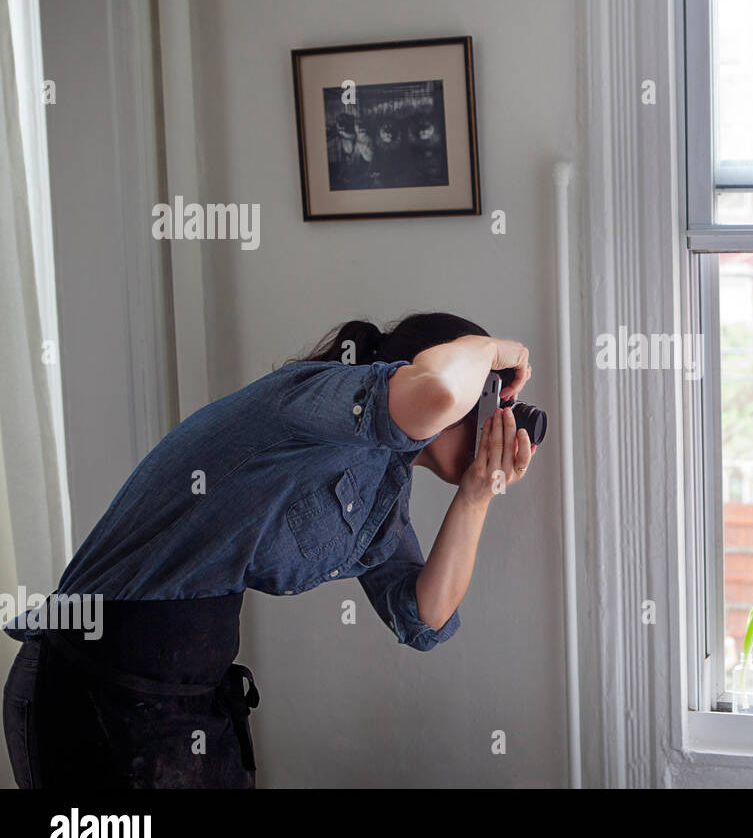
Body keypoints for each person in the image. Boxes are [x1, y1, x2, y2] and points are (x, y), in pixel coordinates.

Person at [1, 313, 534, 788]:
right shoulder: (317, 397)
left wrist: (477, 492)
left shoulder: (383, 491)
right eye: (487, 402)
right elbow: (439, 388)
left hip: (181, 701)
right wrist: (498, 351)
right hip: (90, 683)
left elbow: (424, 615)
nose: (494, 423)